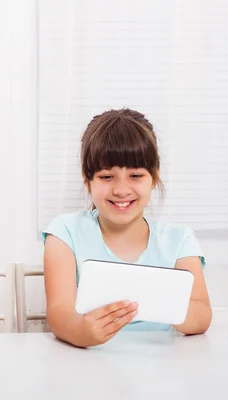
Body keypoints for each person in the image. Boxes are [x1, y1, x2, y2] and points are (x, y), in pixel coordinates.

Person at [42, 108, 212, 348]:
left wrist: (160, 300)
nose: (121, 190)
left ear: (154, 178)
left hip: (163, 366)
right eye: (106, 177)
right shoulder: (65, 232)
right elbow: (59, 310)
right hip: (86, 363)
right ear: (87, 179)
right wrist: (79, 331)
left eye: (135, 175)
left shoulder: (179, 240)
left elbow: (202, 314)